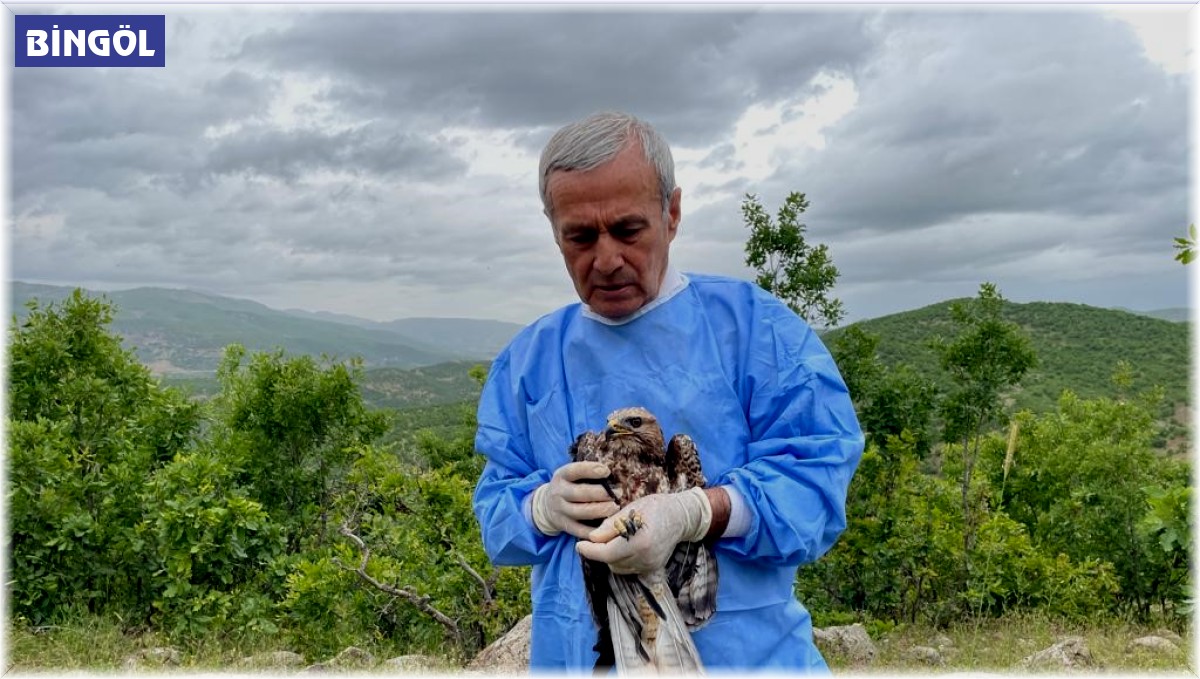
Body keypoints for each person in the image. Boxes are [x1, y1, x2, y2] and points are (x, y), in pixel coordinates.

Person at [472, 111, 864, 672]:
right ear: (554, 231)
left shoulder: (757, 333)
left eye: (628, 230)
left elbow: (815, 487)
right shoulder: (528, 364)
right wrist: (540, 508)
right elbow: (496, 514)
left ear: (671, 213)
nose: (606, 260)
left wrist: (697, 511)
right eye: (580, 237)